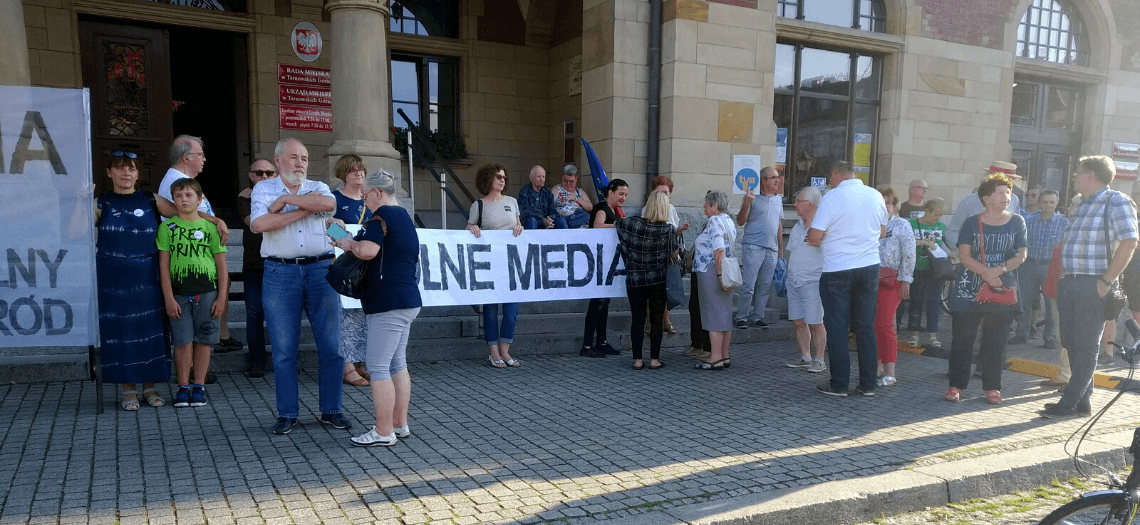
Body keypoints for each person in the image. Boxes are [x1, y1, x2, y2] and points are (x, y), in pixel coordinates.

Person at [251, 138, 351, 435]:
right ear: (278, 160)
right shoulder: (263, 188)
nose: (300, 163)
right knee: (284, 349)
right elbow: (260, 225)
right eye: (293, 157)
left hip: (322, 270)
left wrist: (286, 203)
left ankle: (332, 410)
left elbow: (330, 204)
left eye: (304, 158)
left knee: (332, 345)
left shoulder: (317, 187)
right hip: (280, 273)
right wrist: (307, 210)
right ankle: (287, 414)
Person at [1042, 156, 1138, 419]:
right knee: (1071, 343)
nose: (1073, 177)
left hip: (1094, 284)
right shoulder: (1082, 205)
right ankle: (1082, 401)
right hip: (1070, 282)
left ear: (1090, 176)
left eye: (1077, 173)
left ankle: (1070, 403)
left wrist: (1106, 281)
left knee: (1085, 346)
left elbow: (1130, 241)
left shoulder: (1116, 201)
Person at [332, 171, 422, 447]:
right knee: (397, 364)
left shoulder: (380, 217)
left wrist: (347, 242)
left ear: (378, 193)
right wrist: (346, 236)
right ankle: (399, 424)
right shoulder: (404, 217)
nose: (363, 198)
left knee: (378, 366)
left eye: (366, 193)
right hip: (407, 299)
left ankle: (384, 432)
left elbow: (367, 251)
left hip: (387, 301)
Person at [79, 151, 173, 410]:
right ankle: (127, 389)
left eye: (131, 168)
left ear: (137, 173)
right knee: (121, 333)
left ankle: (150, 386)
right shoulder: (101, 202)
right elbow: (74, 231)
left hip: (148, 277)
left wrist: (215, 220)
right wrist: (81, 202)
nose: (125, 173)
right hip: (113, 281)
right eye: (119, 168)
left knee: (150, 331)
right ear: (109, 173)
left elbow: (185, 214)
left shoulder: (151, 199)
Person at [944, 173, 1027, 405]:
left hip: (1001, 289)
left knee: (996, 340)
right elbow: (964, 255)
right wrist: (985, 272)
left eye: (1008, 192)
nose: (1006, 197)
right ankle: (956, 385)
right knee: (962, 339)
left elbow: (1022, 254)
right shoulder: (972, 222)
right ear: (986, 197)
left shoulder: (1017, 222)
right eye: (1000, 192)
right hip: (969, 288)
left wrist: (997, 271)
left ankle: (992, 387)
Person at [808, 161, 888, 397]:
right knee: (865, 327)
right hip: (870, 266)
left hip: (838, 268)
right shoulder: (875, 195)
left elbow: (814, 236)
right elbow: (882, 232)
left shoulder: (832, 198)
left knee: (837, 327)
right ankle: (868, 384)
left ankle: (839, 384)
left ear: (834, 175)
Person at [155, 135, 239, 352]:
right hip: (188, 259)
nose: (204, 159)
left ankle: (221, 335)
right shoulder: (174, 181)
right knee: (193, 317)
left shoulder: (183, 178)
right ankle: (193, 370)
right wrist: (216, 220)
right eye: (200, 154)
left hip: (206, 254)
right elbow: (183, 213)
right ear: (186, 157)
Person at [157, 178, 228, 408]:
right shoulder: (167, 228)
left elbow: (221, 266)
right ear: (173, 200)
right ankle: (182, 386)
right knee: (182, 342)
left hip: (207, 292)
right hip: (178, 294)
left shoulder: (211, 228)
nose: (184, 199)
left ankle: (199, 386)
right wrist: (168, 297)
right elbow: (164, 267)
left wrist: (221, 297)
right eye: (178, 196)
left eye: (189, 195)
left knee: (204, 341)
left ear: (200, 200)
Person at [467, 163, 525, 368]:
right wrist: (472, 227)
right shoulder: (479, 205)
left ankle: (505, 350)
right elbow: (470, 226)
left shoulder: (512, 201)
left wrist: (520, 226)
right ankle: (493, 351)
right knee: (490, 308)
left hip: (511, 262)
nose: (502, 179)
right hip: (489, 263)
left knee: (511, 309)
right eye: (497, 176)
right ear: (488, 180)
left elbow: (517, 224)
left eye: (504, 177)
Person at [616, 190, 678, 370]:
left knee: (638, 319)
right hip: (658, 280)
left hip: (635, 279)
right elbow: (673, 254)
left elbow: (617, 224)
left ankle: (637, 360)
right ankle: (654, 359)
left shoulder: (633, 223)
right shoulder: (668, 230)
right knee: (657, 320)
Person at [330, 154, 373, 388]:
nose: (359, 173)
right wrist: (343, 241)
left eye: (361, 169)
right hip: (345, 264)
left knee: (362, 316)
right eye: (353, 170)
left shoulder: (370, 198)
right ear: (343, 173)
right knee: (346, 317)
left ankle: (358, 363)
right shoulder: (334, 199)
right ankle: (347, 367)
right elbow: (326, 226)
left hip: (365, 266)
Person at [579, 179, 629, 358]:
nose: (623, 197)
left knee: (604, 303)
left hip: (607, 263)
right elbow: (597, 226)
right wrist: (616, 226)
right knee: (596, 303)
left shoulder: (615, 211)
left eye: (625, 195)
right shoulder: (602, 208)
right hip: (598, 263)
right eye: (621, 194)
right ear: (610, 192)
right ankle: (586, 346)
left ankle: (601, 342)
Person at [1011, 190, 1066, 347]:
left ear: (1057, 203)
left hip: (1052, 267)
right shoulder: (1029, 221)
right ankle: (1021, 334)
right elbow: (1020, 243)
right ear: (1039, 203)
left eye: (1052, 202)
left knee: (1051, 305)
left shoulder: (1064, 224)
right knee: (1024, 302)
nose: (1048, 205)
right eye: (1045, 202)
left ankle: (1049, 338)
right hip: (1029, 265)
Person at [238, 159, 275, 378]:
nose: (264, 177)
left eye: (269, 173)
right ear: (251, 175)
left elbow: (322, 220)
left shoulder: (288, 195)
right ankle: (256, 361)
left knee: (283, 316)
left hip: (283, 265)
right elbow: (255, 223)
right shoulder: (244, 197)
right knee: (254, 315)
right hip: (254, 266)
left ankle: (285, 361)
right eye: (259, 173)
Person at [783, 187, 827, 373]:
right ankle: (805, 357)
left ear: (809, 204)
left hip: (813, 280)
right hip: (794, 280)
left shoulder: (823, 226)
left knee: (816, 321)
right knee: (798, 321)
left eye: (798, 201)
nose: (795, 204)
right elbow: (792, 252)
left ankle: (820, 359)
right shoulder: (797, 225)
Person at [875, 188, 915, 386]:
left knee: (885, 323)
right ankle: (876, 366)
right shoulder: (871, 222)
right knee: (871, 324)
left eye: (888, 204)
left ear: (895, 206)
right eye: (881, 204)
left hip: (893, 279)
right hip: (870, 278)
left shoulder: (902, 225)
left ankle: (890, 371)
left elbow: (909, 253)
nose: (884, 208)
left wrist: (906, 279)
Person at [693, 189, 737, 370]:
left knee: (713, 315)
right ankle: (724, 356)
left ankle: (715, 357)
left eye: (706, 204)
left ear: (714, 205)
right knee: (724, 314)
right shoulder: (728, 221)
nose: (704, 207)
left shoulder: (714, 220)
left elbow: (719, 249)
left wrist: (719, 275)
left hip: (711, 270)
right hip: (725, 270)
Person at [735, 166, 783, 329]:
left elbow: (778, 224)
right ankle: (742, 316)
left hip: (772, 248)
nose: (778, 180)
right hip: (753, 246)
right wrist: (747, 204)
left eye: (778, 177)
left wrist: (781, 250)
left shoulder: (778, 199)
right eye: (774, 177)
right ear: (764, 180)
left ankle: (757, 316)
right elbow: (740, 221)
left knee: (765, 285)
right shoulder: (751, 197)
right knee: (748, 284)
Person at [643, 175, 690, 335]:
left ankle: (666, 321)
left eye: (666, 192)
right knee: (651, 292)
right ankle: (649, 322)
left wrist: (680, 230)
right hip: (652, 255)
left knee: (667, 290)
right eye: (660, 191)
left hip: (668, 255)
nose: (664, 195)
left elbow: (673, 232)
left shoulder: (672, 209)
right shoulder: (647, 208)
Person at [946, 161, 1021, 249]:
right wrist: (966, 253)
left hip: (1004, 259)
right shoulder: (970, 202)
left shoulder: (1014, 200)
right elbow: (951, 232)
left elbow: (1017, 231)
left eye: (1010, 180)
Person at [907, 197, 950, 348]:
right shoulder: (912, 224)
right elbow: (906, 243)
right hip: (917, 268)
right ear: (927, 211)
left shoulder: (941, 227)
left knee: (934, 302)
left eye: (940, 215)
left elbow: (949, 245)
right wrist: (923, 242)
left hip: (936, 271)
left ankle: (933, 335)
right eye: (935, 214)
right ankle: (914, 335)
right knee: (916, 301)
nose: (937, 218)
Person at [518, 165, 562, 230]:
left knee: (561, 221)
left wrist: (550, 219)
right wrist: (542, 219)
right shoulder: (524, 191)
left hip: (545, 221)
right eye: (539, 176)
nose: (542, 179)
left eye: (543, 177)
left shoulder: (547, 192)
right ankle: (531, 240)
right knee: (532, 221)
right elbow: (524, 212)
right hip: (532, 221)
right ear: (531, 178)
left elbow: (553, 210)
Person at [554, 164, 593, 229]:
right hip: (563, 217)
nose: (568, 184)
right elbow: (549, 205)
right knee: (562, 222)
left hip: (576, 217)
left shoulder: (580, 191)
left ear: (576, 178)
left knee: (588, 217)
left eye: (571, 181)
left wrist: (576, 198)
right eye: (565, 181)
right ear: (562, 177)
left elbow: (590, 207)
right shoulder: (557, 189)